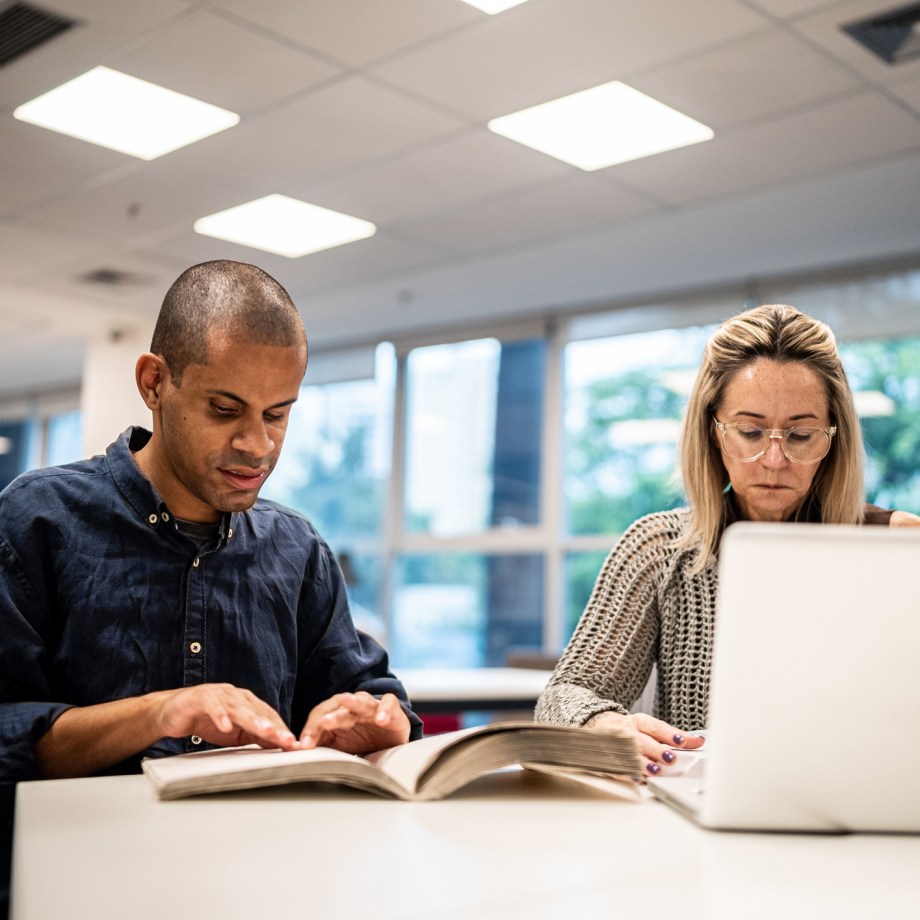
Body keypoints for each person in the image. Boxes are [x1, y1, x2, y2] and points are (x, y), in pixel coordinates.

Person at [0, 259, 422, 783]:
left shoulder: (298, 549)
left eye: (276, 415)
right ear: (154, 383)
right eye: (225, 410)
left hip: (258, 856)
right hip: (81, 858)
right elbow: (6, 731)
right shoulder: (38, 519)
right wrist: (157, 713)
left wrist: (382, 723)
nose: (258, 446)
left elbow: (372, 696)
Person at [535, 304, 920, 774]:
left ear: (833, 438)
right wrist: (599, 723)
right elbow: (562, 696)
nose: (774, 459)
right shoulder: (660, 548)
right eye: (750, 431)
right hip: (703, 816)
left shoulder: (898, 549)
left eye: (800, 435)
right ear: (713, 432)